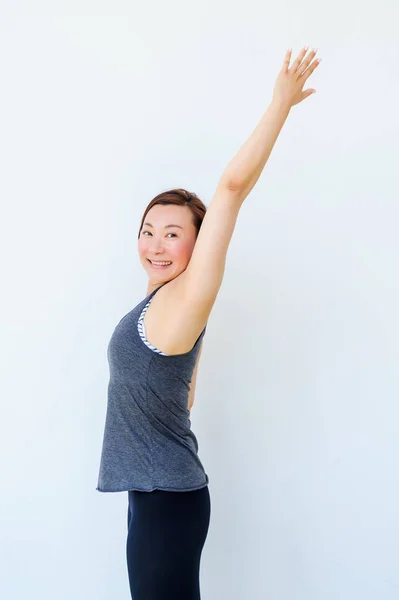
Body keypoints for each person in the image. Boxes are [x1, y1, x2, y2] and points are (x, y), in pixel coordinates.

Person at [96, 46, 321, 600]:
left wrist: (281, 104)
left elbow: (231, 189)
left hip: (167, 497)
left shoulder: (187, 296)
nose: (156, 242)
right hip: (154, 494)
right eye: (149, 229)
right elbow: (184, 394)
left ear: (200, 244)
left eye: (174, 232)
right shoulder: (158, 306)